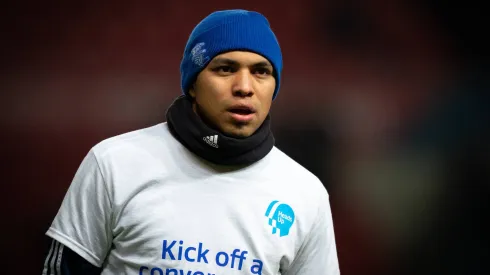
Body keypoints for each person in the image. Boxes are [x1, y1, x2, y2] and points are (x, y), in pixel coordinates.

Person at [42, 9, 340, 275]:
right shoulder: (113, 164)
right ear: (193, 83)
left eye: (261, 71)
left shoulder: (305, 193)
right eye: (225, 68)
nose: (245, 87)